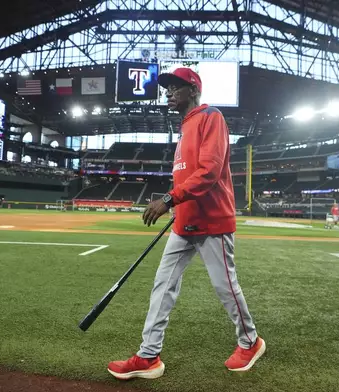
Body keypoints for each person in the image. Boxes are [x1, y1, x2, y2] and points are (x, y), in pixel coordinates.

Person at [107, 68, 265, 380]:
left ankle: (250, 341)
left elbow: (209, 171)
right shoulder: (184, 127)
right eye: (167, 88)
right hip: (185, 222)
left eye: (175, 87)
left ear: (192, 90)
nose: (168, 93)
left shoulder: (211, 117)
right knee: (162, 286)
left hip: (212, 220)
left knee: (225, 286)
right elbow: (186, 173)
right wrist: (178, 206)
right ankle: (148, 355)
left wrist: (168, 200)